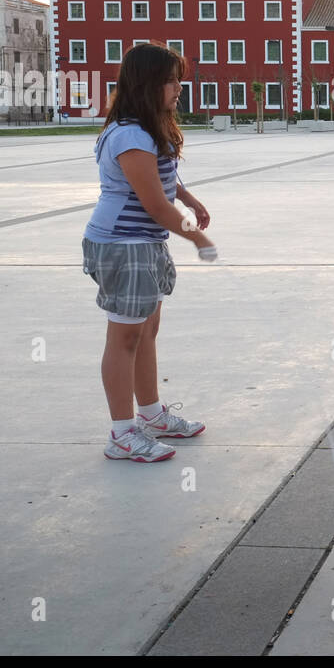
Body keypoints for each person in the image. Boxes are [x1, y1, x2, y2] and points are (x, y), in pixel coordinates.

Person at [82, 43, 217, 463]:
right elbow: (155, 205)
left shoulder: (147, 128)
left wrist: (190, 199)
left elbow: (165, 179)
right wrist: (198, 238)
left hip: (143, 244)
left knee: (146, 333)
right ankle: (122, 434)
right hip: (122, 245)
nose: (180, 87)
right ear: (148, 83)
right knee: (124, 338)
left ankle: (152, 414)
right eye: (172, 79)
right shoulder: (128, 134)